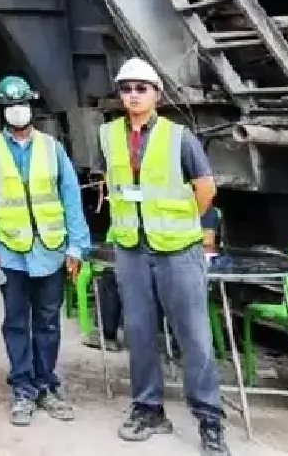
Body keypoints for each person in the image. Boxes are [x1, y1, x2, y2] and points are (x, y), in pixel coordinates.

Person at [101, 57, 230, 455]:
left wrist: (179, 220)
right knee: (139, 333)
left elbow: (205, 188)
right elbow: (110, 181)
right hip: (132, 250)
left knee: (194, 336)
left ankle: (210, 420)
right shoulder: (108, 135)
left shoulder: (179, 137)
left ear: (157, 94)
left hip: (178, 250)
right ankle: (148, 409)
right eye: (126, 89)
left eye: (142, 88)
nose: (133, 95)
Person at [0, 75, 91, 427]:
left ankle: (47, 385)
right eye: (10, 107)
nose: (17, 112)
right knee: (17, 321)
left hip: (50, 251)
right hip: (10, 252)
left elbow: (71, 199)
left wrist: (77, 246)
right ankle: (23, 387)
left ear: (32, 109)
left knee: (49, 322)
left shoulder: (53, 148)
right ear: (2, 111)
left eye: (22, 105)